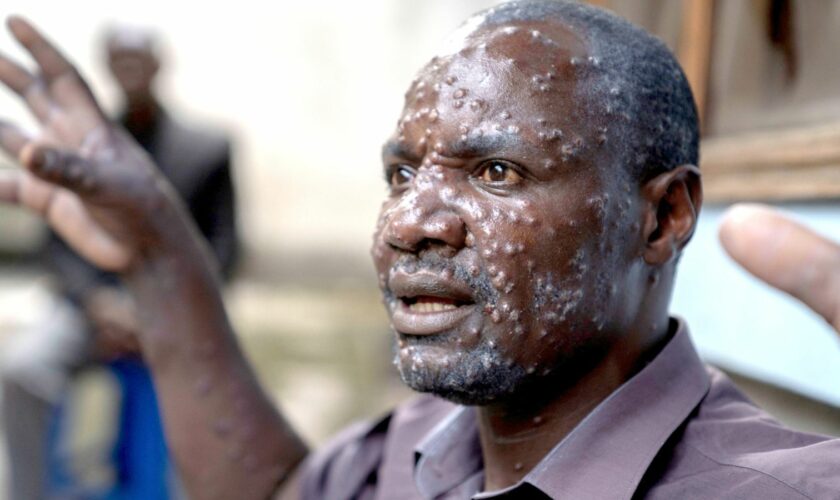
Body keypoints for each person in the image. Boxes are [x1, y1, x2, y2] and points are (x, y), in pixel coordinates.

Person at [0, 1, 837, 499]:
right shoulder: (424, 441)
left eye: (498, 171)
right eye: (402, 173)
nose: (409, 223)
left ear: (661, 217)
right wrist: (156, 254)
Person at [0, 25, 238, 499]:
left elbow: (223, 247)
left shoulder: (204, 150)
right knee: (20, 371)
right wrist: (97, 302)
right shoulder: (79, 150)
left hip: (175, 317)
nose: (129, 69)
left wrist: (165, 307)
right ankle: (31, 491)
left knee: (206, 402)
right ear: (108, 65)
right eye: (119, 59)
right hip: (93, 311)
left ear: (158, 63)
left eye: (138, 58)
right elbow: (59, 244)